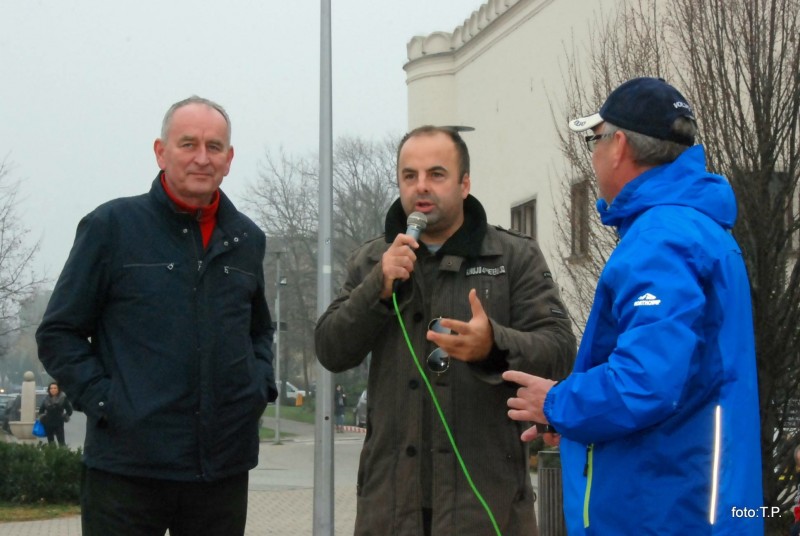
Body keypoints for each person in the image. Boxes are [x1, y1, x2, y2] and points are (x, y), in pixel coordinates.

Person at [503, 77, 764, 535]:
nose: (593, 153)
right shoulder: (693, 229)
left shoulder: (661, 241)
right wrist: (574, 420)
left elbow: (646, 382)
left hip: (665, 514)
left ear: (618, 144)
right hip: (691, 503)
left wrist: (558, 402)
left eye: (593, 139)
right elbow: (684, 382)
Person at [315, 125, 576, 536]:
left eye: (436, 174)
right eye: (409, 176)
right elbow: (331, 348)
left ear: (464, 183)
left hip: (486, 505)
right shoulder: (373, 260)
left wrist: (494, 345)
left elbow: (560, 350)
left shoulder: (512, 256)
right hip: (391, 510)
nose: (422, 187)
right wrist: (377, 290)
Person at [35, 96, 277, 536]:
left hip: (221, 471)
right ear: (160, 151)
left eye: (215, 146)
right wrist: (109, 403)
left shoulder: (247, 239)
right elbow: (59, 333)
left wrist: (258, 388)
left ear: (229, 159)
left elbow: (259, 330)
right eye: (188, 144)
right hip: (127, 472)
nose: (202, 158)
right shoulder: (112, 227)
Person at [38, 381, 73, 446]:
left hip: (59, 422)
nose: (53, 390)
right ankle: (52, 454)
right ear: (49, 390)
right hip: (48, 422)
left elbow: (69, 410)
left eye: (55, 388)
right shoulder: (46, 399)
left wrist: (64, 416)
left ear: (58, 389)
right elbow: (41, 411)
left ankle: (63, 455)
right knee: (50, 442)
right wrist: (43, 417)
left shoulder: (63, 398)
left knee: (61, 442)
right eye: (51, 388)